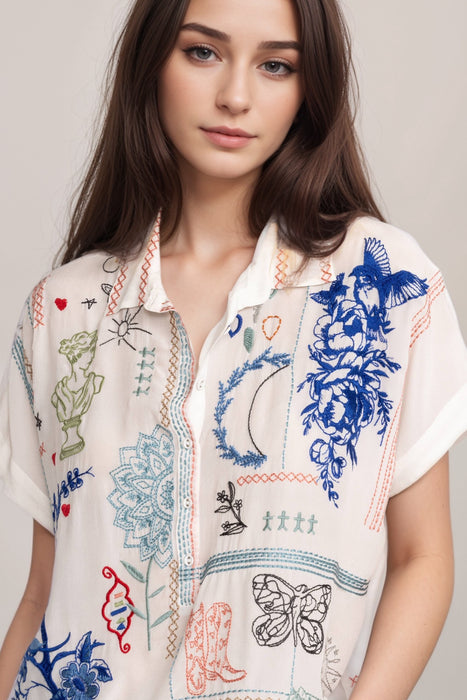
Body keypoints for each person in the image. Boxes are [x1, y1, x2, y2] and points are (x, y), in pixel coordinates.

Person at [0, 0, 466, 698]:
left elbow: (420, 558)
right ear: (151, 61)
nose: (235, 96)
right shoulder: (62, 312)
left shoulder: (382, 287)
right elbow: (45, 591)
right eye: (202, 52)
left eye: (276, 65)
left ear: (310, 88)